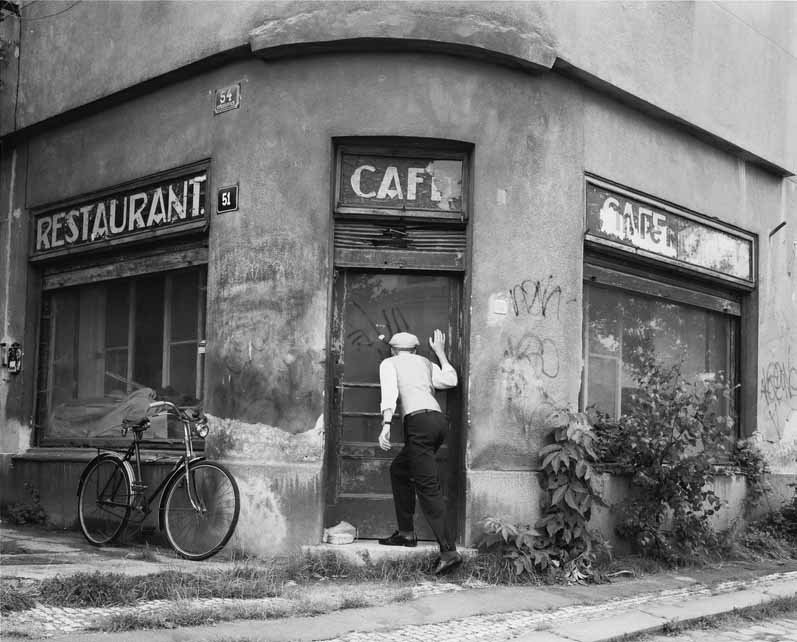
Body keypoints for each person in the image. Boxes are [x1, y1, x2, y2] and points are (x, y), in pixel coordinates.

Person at [377, 329, 462, 574]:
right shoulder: (425, 363)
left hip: (418, 424)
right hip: (437, 423)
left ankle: (449, 552)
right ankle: (406, 533)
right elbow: (450, 380)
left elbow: (390, 393)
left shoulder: (389, 363)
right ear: (414, 350)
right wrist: (441, 353)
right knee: (400, 469)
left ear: (393, 350)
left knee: (427, 487)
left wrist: (386, 425)